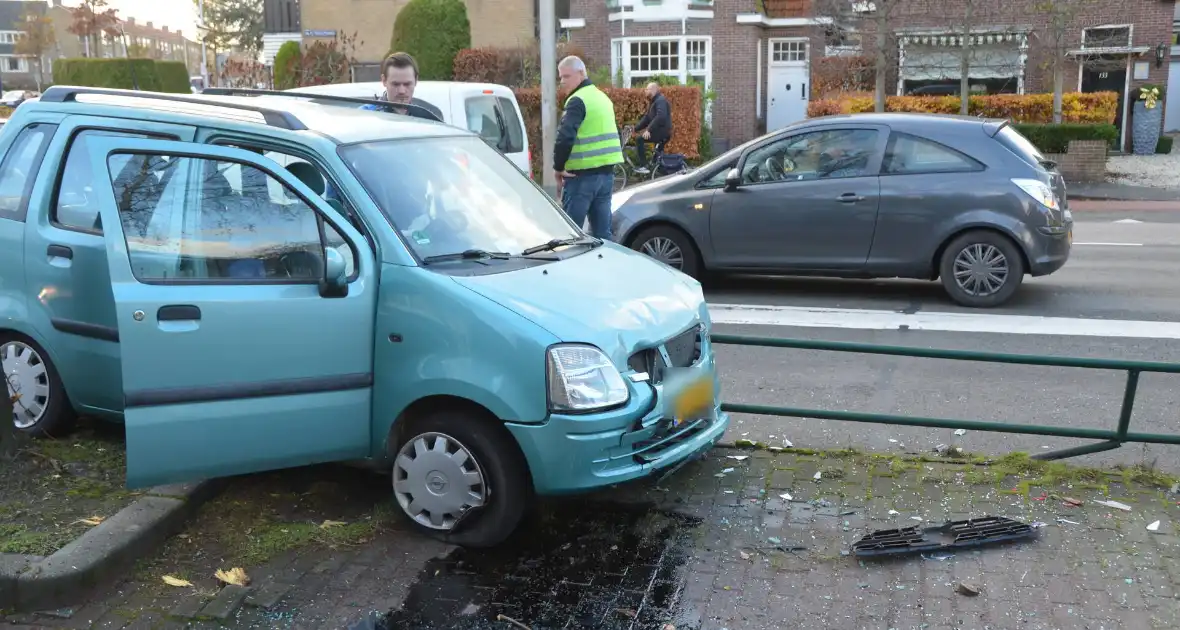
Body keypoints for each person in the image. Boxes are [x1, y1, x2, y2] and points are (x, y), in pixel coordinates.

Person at [553, 55, 624, 241]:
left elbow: (565, 136)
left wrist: (558, 168)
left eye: (566, 76)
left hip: (581, 178)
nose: (562, 82)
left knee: (571, 236)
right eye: (560, 77)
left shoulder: (577, 100)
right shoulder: (603, 98)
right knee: (602, 235)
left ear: (581, 73)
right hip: (606, 176)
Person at [359, 52, 444, 122]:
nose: (402, 91)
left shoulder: (428, 117)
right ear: (384, 81)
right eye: (395, 84)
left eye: (407, 84)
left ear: (416, 80)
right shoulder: (366, 116)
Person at [632, 82, 672, 175]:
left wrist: (648, 130)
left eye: (647, 89)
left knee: (639, 139)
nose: (645, 91)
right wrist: (635, 129)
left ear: (653, 90)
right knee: (657, 160)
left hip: (663, 132)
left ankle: (644, 166)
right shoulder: (654, 101)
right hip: (661, 131)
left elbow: (661, 117)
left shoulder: (660, 100)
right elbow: (647, 118)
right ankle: (663, 174)